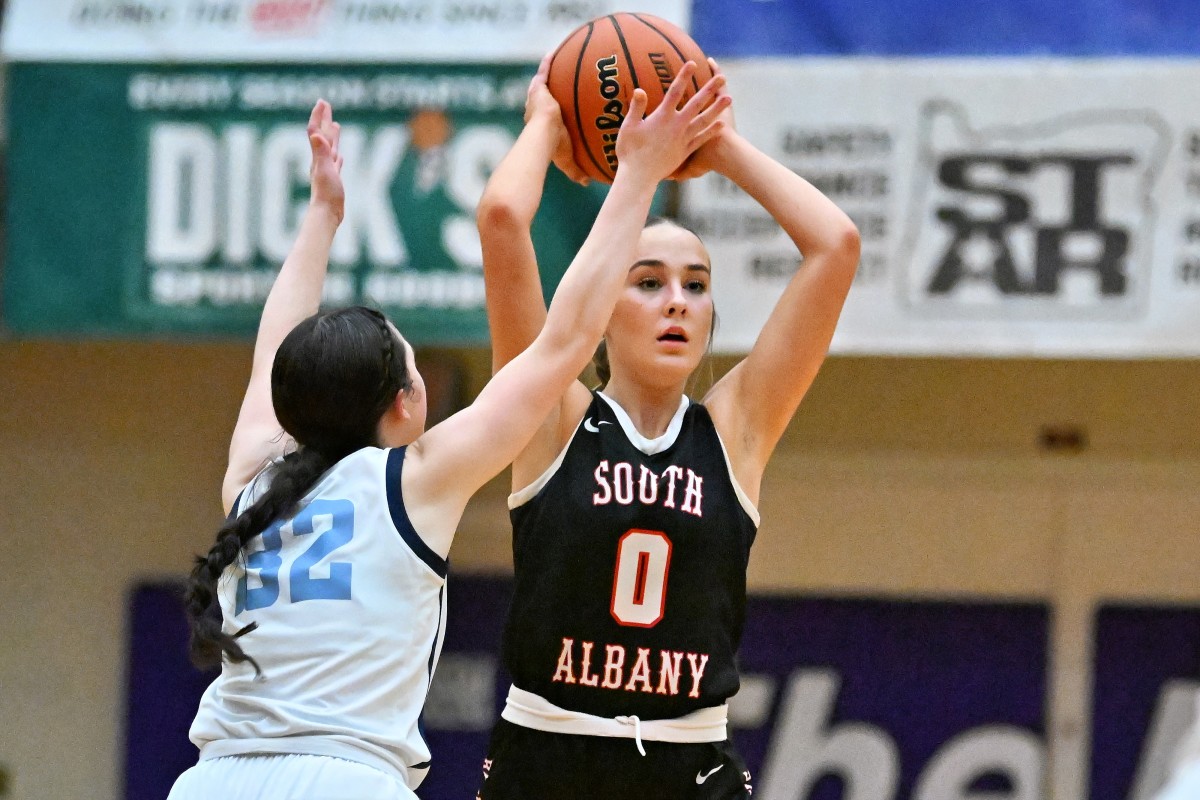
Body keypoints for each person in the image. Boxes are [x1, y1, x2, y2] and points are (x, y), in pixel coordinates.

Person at [168, 68, 728, 800]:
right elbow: (565, 342)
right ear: (403, 403)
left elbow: (273, 358)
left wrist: (323, 217)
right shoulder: (418, 479)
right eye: (411, 360)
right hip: (348, 780)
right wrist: (639, 174)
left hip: (215, 780)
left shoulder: (253, 480)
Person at [473, 56, 860, 800]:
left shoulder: (737, 430)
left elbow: (835, 246)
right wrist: (548, 123)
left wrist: (720, 149)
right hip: (548, 756)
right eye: (647, 283)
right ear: (601, 308)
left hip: (691, 761)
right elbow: (500, 219)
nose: (677, 302)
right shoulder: (551, 417)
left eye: (696, 286)